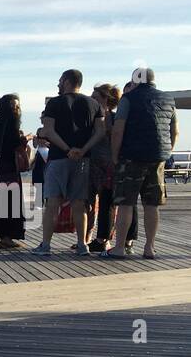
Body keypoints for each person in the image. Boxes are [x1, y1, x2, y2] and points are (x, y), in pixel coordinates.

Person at [32, 69, 105, 256]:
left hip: (58, 158)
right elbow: (100, 131)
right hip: (82, 159)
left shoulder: (54, 103)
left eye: (59, 81)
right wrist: (82, 149)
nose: (58, 84)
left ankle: (46, 245)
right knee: (79, 204)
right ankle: (82, 244)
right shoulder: (94, 104)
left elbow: (48, 131)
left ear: (66, 81)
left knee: (52, 203)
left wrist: (66, 149)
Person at [108, 68, 178, 259]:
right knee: (151, 205)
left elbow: (118, 130)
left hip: (131, 157)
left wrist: (115, 156)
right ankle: (149, 247)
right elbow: (175, 131)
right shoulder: (168, 99)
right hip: (157, 157)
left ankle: (120, 247)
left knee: (126, 203)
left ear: (136, 80)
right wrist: (167, 150)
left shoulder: (128, 99)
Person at [0, 93, 28, 249]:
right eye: (14, 105)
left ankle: (3, 236)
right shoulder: (12, 121)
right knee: (10, 203)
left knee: (4, 202)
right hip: (7, 167)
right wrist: (24, 139)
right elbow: (13, 144)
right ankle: (0, 236)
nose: (17, 108)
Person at [85, 83, 127, 252]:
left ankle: (104, 239)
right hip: (92, 164)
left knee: (107, 203)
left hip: (108, 166)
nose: (92, 101)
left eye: (95, 98)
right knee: (87, 202)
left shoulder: (114, 118)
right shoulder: (92, 119)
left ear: (106, 99)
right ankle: (88, 237)